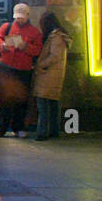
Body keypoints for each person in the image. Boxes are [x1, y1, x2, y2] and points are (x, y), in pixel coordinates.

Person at [0, 2, 42, 137]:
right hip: (6, 66)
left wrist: (25, 47)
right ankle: (1, 128)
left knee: (21, 99)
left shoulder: (34, 32)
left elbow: (37, 50)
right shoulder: (6, 27)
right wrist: (2, 45)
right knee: (4, 97)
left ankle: (18, 128)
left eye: (22, 17)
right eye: (17, 17)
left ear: (27, 16)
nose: (19, 20)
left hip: (23, 69)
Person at [31, 11, 71, 141]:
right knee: (53, 103)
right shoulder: (59, 36)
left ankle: (42, 132)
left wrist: (41, 64)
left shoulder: (56, 37)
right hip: (54, 74)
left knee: (43, 104)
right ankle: (53, 130)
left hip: (48, 74)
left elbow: (54, 56)